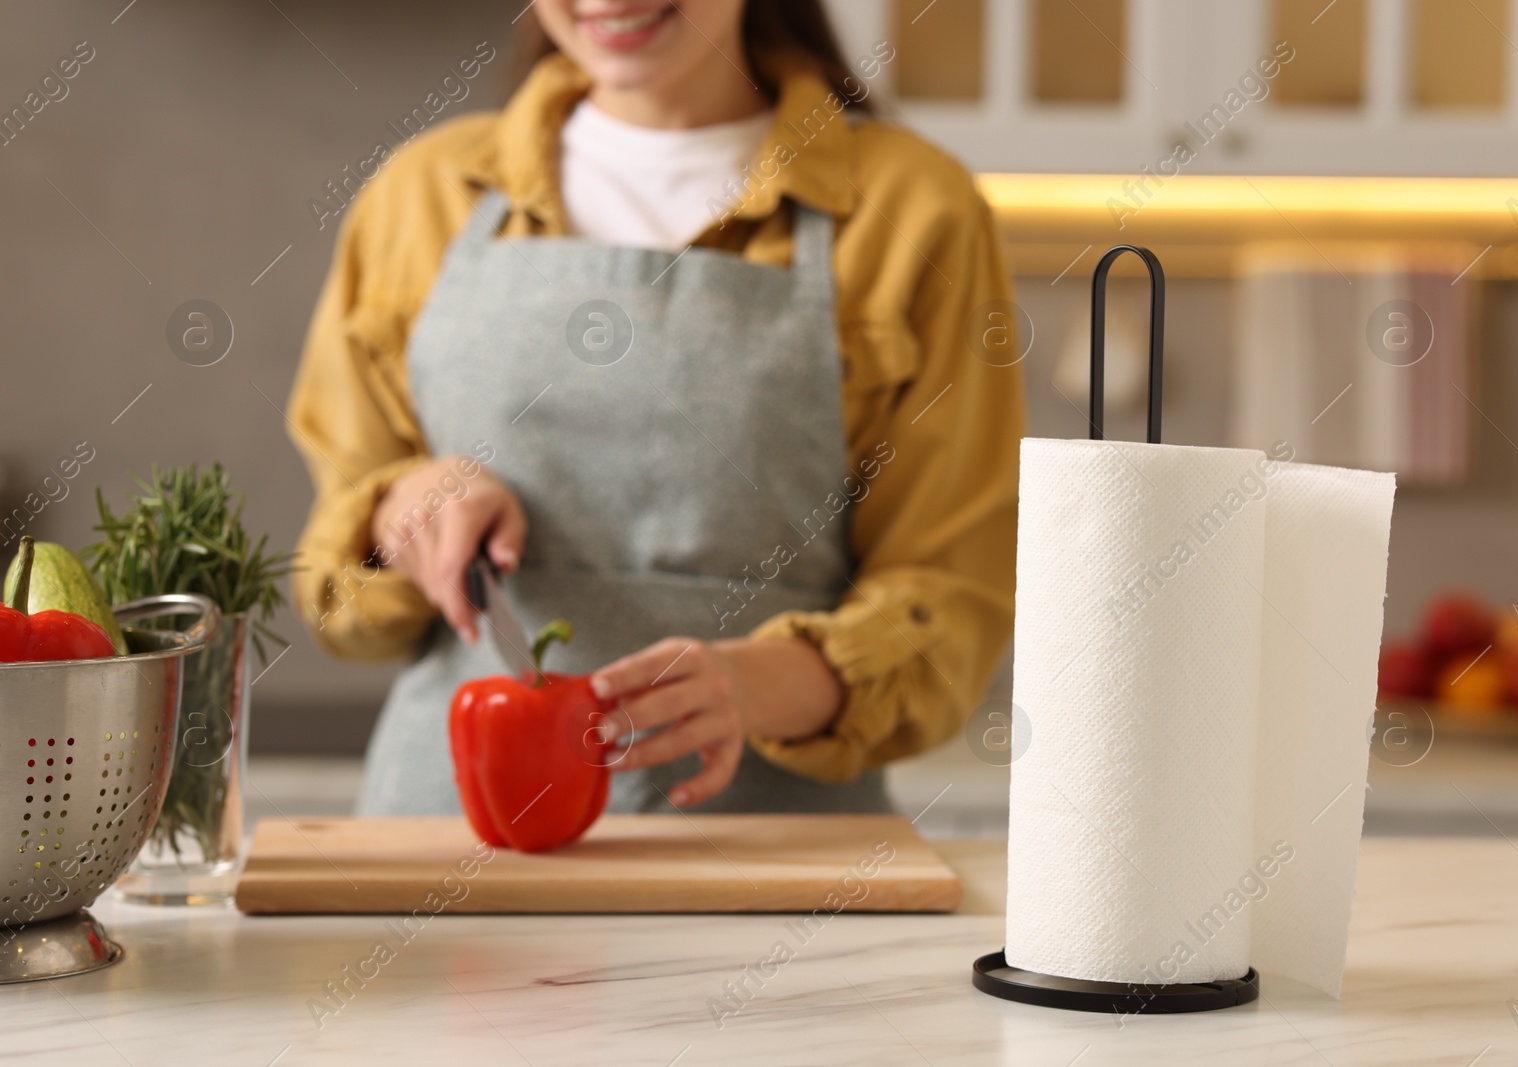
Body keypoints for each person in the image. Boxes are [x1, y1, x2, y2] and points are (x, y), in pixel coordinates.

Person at [287, 0, 1023, 817]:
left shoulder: (920, 210)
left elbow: (951, 598)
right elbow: (335, 593)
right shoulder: (420, 195)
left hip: (773, 871)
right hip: (444, 855)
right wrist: (404, 511)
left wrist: (756, 683)